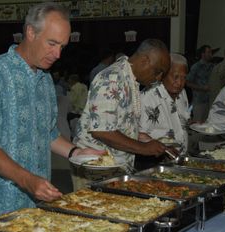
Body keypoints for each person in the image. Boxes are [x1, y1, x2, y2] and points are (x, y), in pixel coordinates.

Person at [0, 2, 104, 222]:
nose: (57, 54)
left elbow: (48, 133)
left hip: (34, 203)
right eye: (52, 43)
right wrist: (27, 181)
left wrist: (75, 153)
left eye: (62, 47)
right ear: (30, 32)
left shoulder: (44, 80)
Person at [72, 39, 170, 187]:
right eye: (158, 72)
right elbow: (102, 131)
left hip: (114, 168)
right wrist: (143, 148)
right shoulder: (111, 78)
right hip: (96, 168)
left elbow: (117, 123)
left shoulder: (130, 79)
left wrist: (140, 136)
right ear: (144, 60)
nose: (158, 79)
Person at [139, 53, 190, 153]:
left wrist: (191, 123)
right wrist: (165, 150)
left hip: (181, 158)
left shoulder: (182, 93)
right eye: (175, 77)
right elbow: (138, 134)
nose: (179, 83)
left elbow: (180, 121)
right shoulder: (148, 96)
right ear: (163, 75)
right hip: (157, 161)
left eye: (183, 78)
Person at [186, 45, 215, 122]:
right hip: (199, 102)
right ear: (203, 54)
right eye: (208, 52)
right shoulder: (196, 67)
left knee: (207, 126)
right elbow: (187, 83)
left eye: (211, 52)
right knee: (197, 126)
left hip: (210, 101)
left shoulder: (212, 67)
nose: (210, 54)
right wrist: (202, 88)